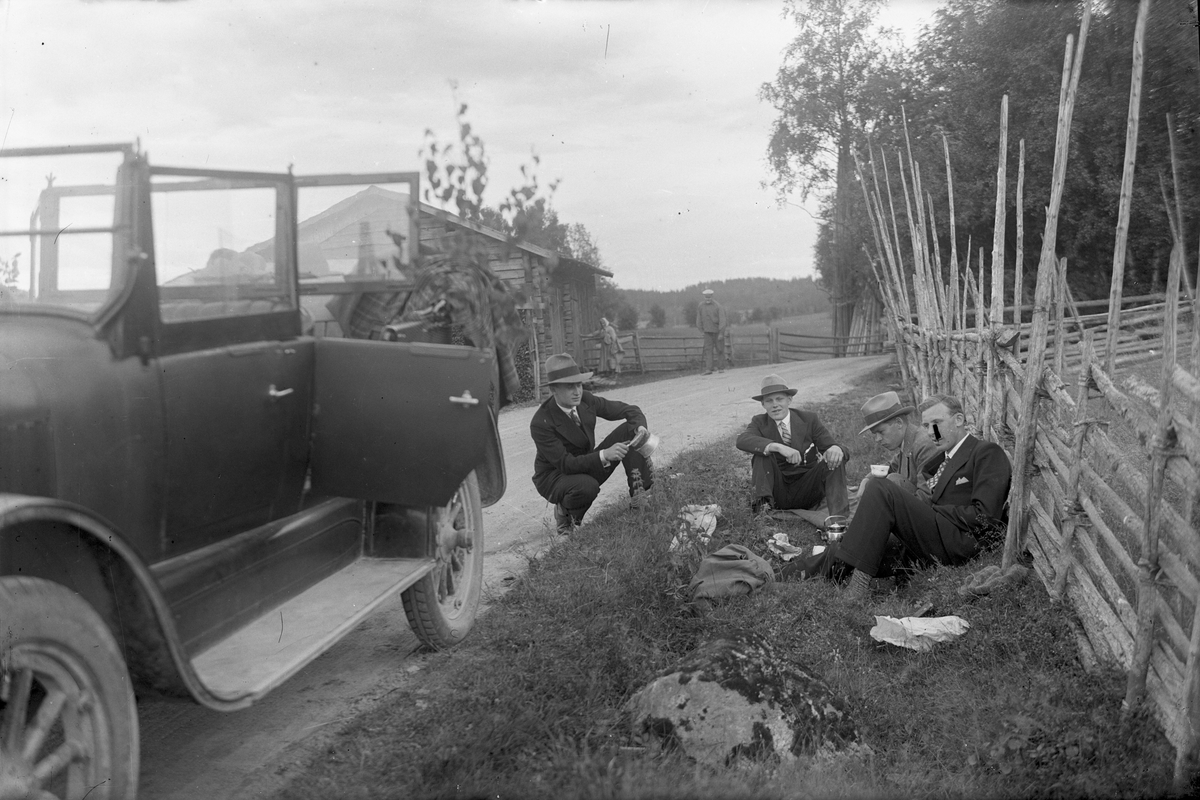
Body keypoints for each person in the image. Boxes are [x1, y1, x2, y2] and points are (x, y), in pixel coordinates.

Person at [804, 394, 1012, 598]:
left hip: (960, 541)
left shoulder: (985, 452)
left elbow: (986, 516)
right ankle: (792, 573)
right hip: (934, 537)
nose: (931, 432)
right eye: (926, 426)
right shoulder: (941, 459)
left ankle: (858, 586)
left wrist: (934, 511)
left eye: (936, 424)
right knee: (856, 543)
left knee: (880, 488)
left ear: (958, 420)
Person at [531, 353, 654, 534]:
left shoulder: (585, 400)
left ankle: (640, 497)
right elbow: (566, 463)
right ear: (553, 389)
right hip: (556, 477)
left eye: (579, 384)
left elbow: (630, 410)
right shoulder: (541, 421)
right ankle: (565, 514)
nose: (577, 391)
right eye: (569, 386)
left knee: (630, 430)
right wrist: (604, 455)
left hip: (586, 464)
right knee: (587, 486)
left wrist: (640, 429)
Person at [736, 374, 850, 526]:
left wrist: (836, 448)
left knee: (834, 457)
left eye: (779, 399)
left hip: (808, 489)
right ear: (763, 405)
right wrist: (777, 447)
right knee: (761, 454)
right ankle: (762, 514)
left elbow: (832, 446)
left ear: (789, 400)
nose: (775, 405)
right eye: (769, 401)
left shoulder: (808, 419)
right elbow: (742, 440)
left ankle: (838, 522)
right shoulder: (759, 422)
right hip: (778, 491)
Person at [856, 390, 944, 498]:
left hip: (926, 506)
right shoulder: (908, 441)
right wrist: (867, 479)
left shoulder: (924, 445)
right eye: (875, 434)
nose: (877, 439)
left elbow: (927, 497)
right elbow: (890, 467)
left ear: (899, 423)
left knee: (893, 481)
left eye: (881, 432)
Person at [696, 288, 728, 375]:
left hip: (717, 332)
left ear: (712, 296)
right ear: (704, 297)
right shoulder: (701, 306)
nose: (708, 299)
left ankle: (721, 368)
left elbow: (722, 320)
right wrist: (701, 331)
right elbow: (698, 319)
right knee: (708, 350)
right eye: (706, 297)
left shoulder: (718, 306)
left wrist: (721, 333)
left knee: (720, 349)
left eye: (709, 297)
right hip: (707, 332)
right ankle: (709, 369)